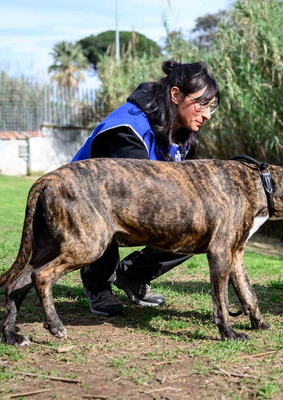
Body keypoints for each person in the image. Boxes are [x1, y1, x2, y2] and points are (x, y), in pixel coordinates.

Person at [72, 60, 220, 317]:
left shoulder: (180, 129)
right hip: (85, 206)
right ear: (176, 95)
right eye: (202, 104)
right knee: (107, 213)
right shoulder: (128, 128)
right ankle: (97, 284)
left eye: (212, 106)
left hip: (133, 208)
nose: (207, 114)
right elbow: (124, 198)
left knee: (199, 227)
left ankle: (132, 276)